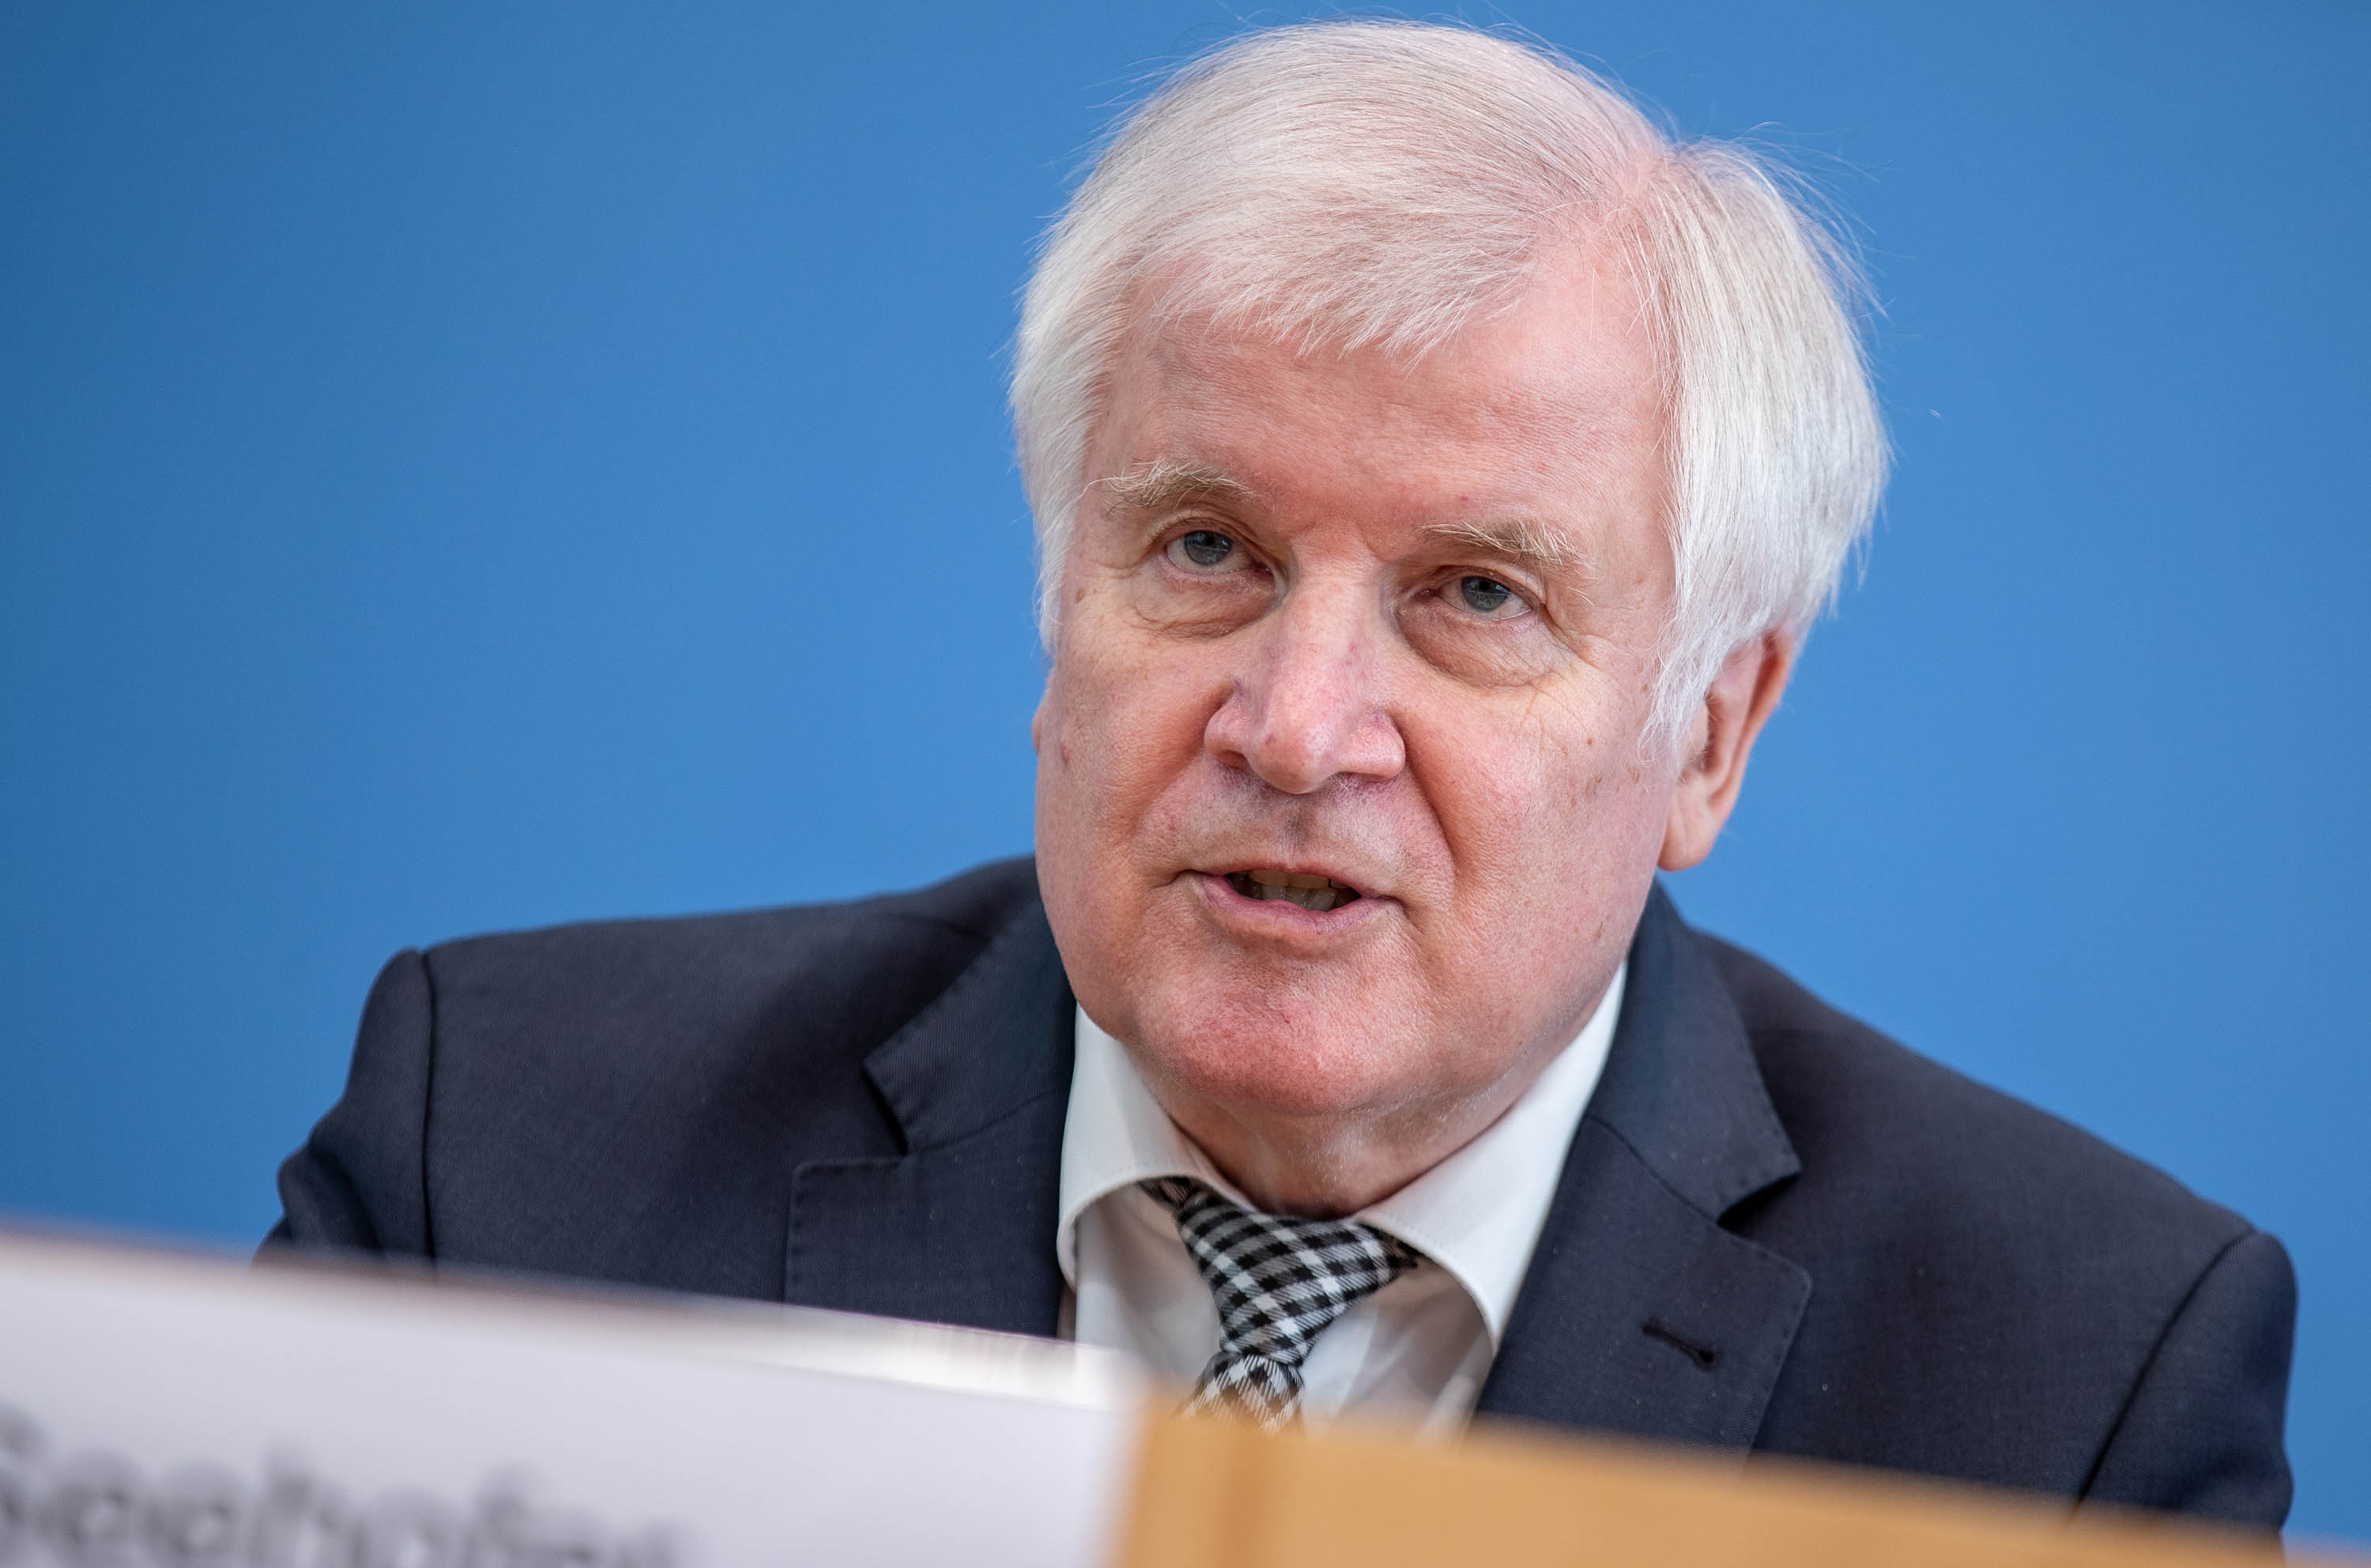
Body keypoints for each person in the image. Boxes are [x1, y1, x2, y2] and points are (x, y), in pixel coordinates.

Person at [268, 21, 2294, 1525]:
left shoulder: (2072, 1386)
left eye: (1477, 593)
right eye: (1208, 550)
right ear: (1061, 593)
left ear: (1709, 733)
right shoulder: (507, 1163)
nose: (1298, 727)